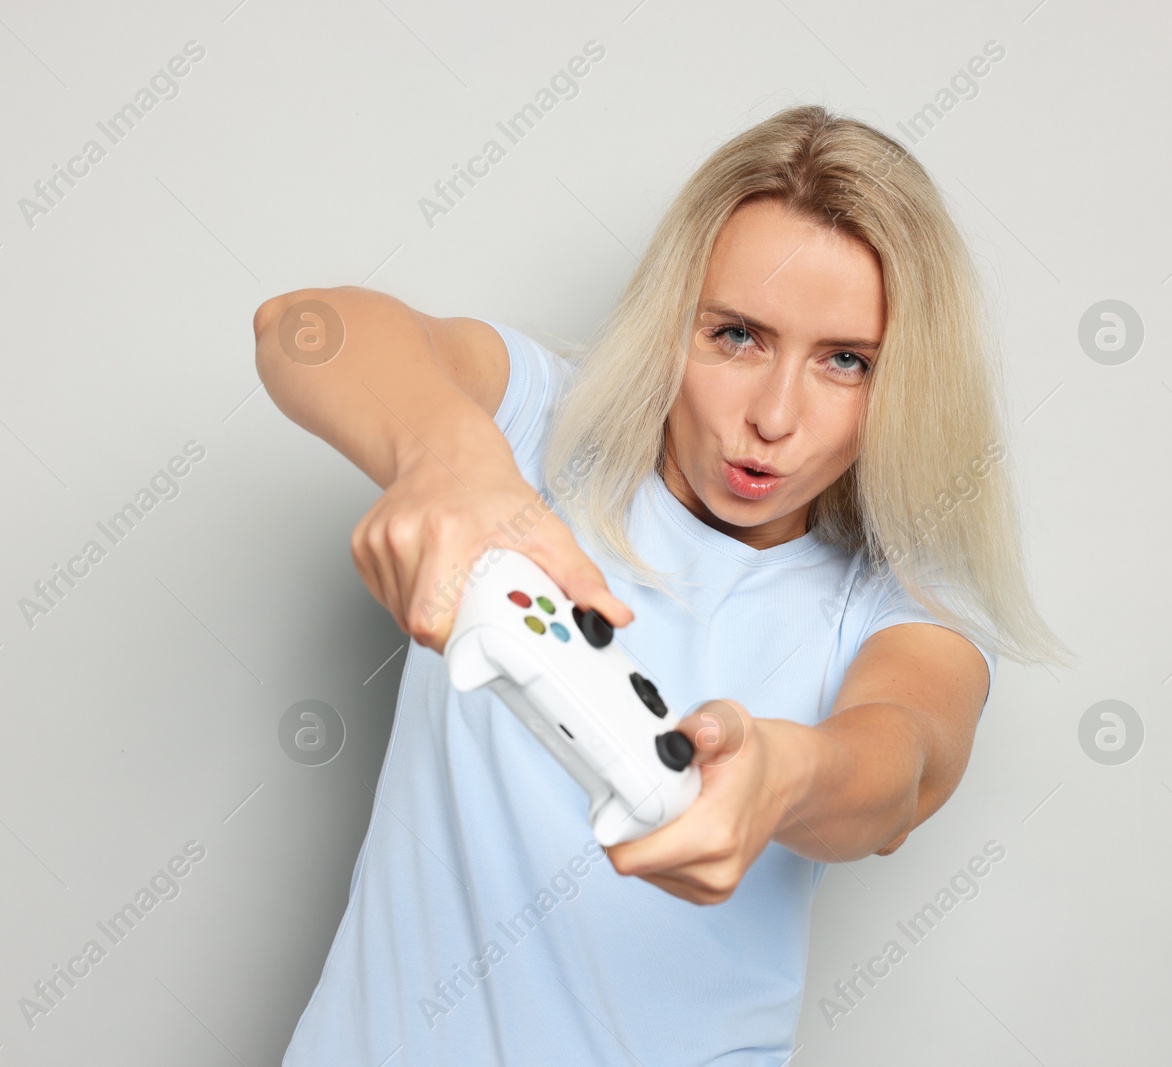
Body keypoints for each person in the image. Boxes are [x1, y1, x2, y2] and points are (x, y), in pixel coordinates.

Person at [258, 105, 1070, 1066]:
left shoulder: (901, 599)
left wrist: (784, 773)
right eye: (736, 336)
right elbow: (300, 328)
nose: (774, 415)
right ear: (673, 318)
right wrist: (447, 455)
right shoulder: (535, 429)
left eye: (846, 361)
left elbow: (906, 762)